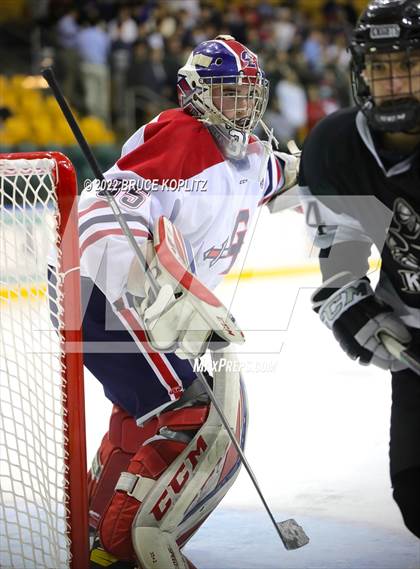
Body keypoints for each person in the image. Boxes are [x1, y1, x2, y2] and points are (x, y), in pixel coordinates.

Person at [79, 35, 298, 568]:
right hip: (103, 299)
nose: (239, 107)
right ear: (195, 96)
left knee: (146, 414)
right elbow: (97, 211)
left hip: (118, 307)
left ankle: (95, 532)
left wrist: (297, 174)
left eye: (247, 95)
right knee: (195, 415)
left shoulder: (249, 154)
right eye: (226, 94)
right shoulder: (181, 136)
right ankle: (129, 549)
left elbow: (274, 174)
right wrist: (145, 284)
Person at [298, 0, 420, 539]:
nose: (394, 80)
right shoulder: (338, 145)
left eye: (409, 64)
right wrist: (351, 301)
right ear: (361, 72)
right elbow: (340, 244)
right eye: (381, 66)